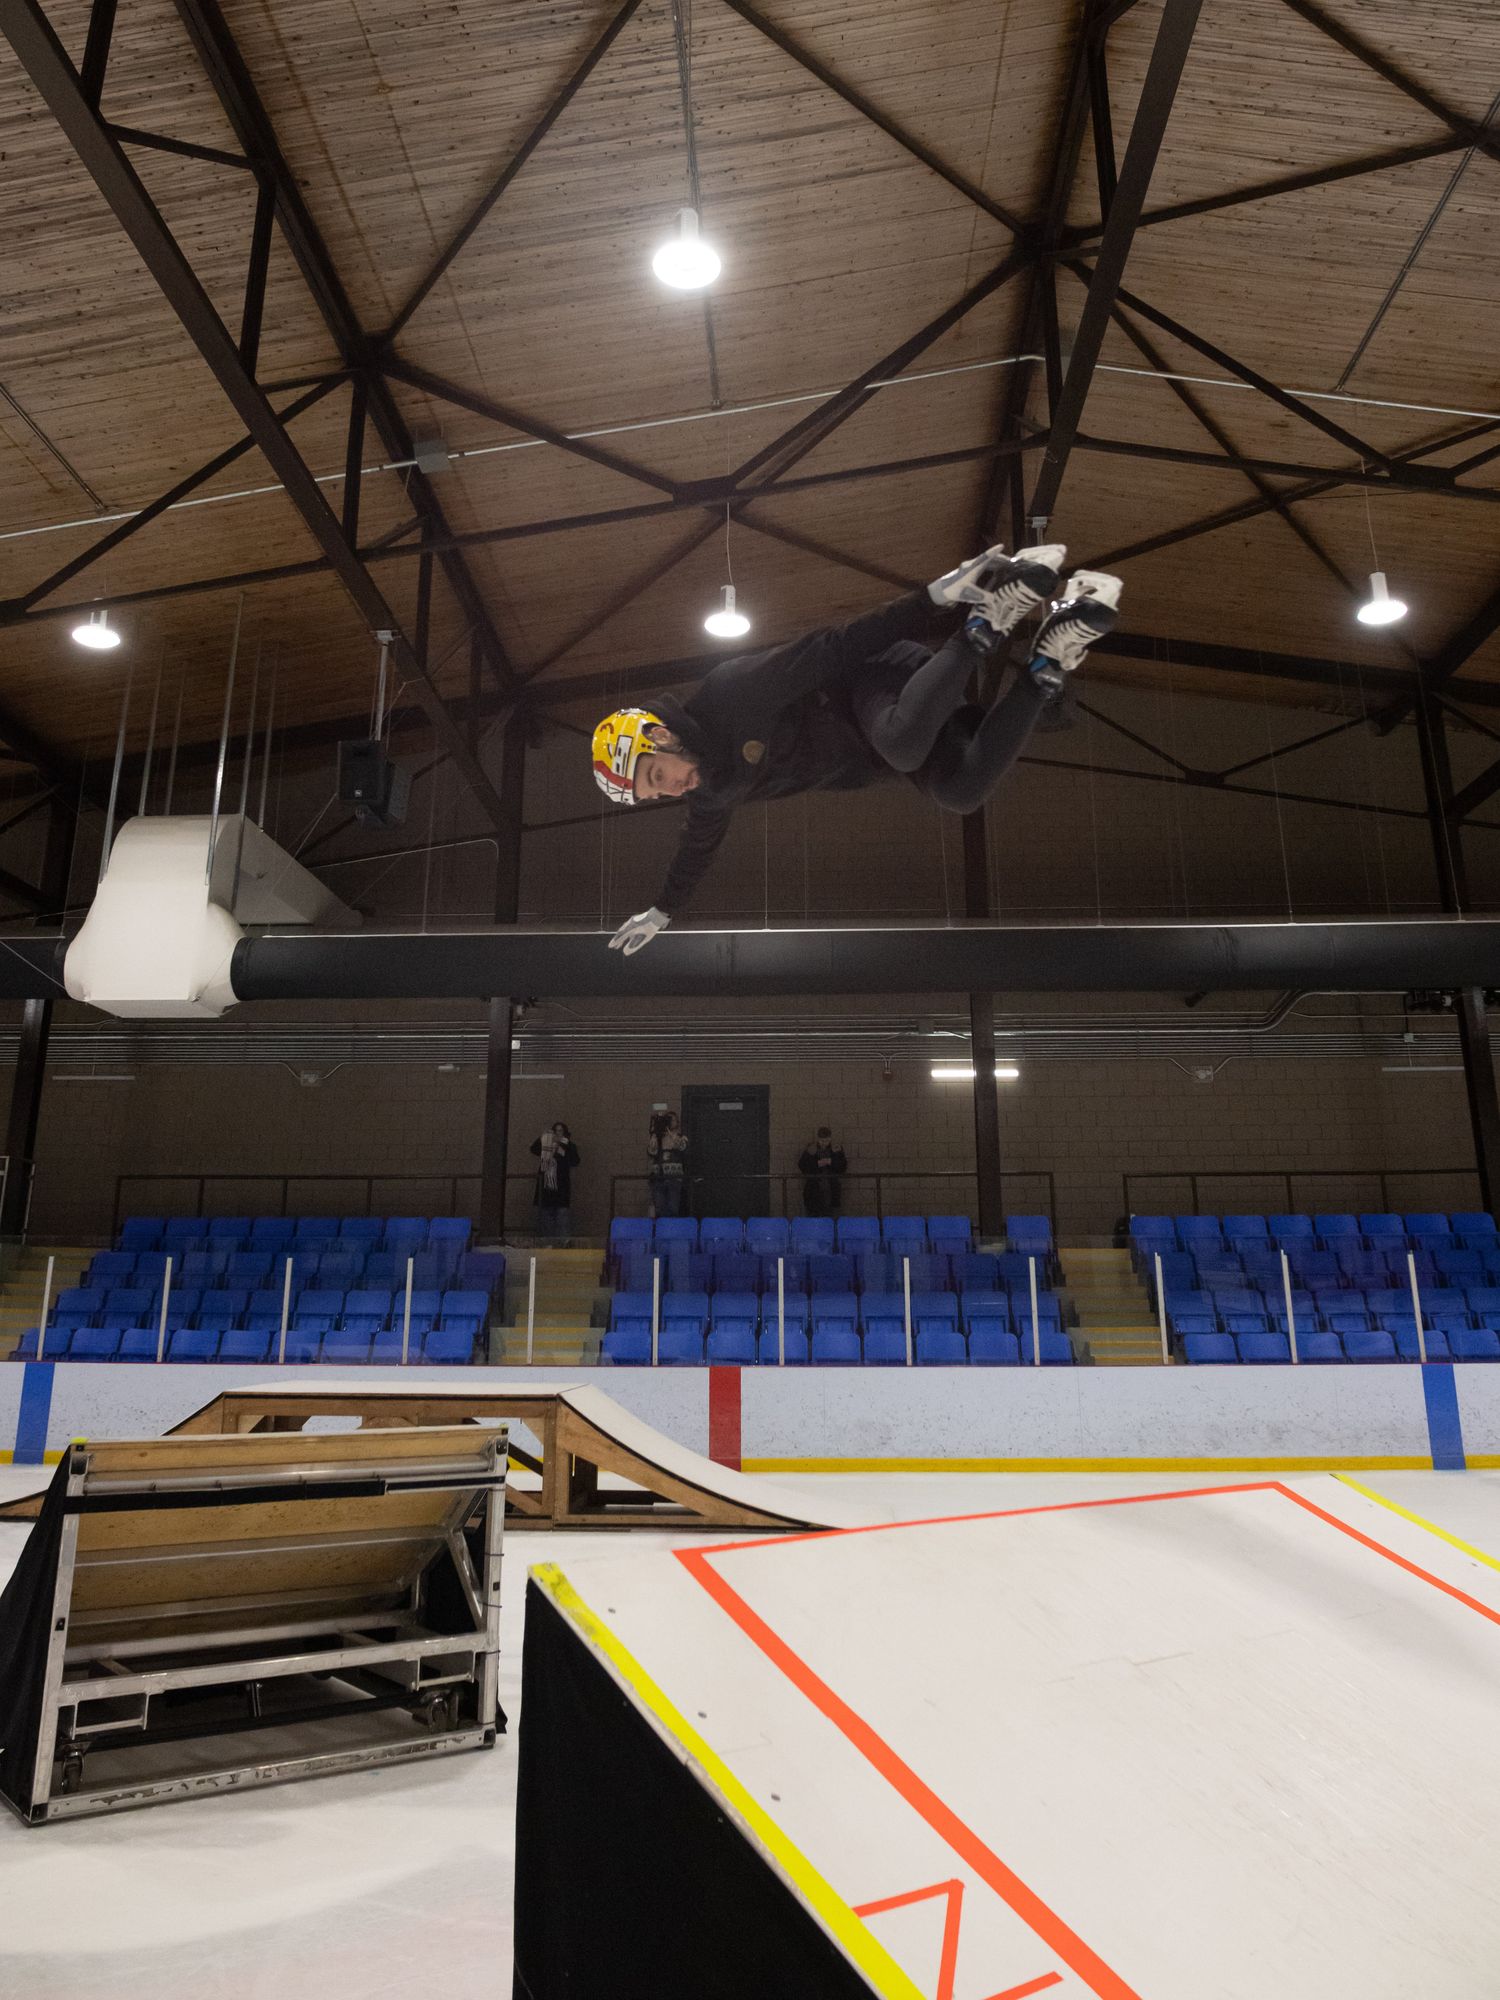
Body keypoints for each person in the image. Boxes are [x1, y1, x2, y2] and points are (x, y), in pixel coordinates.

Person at [592, 545, 1122, 952]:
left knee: (902, 747)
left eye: (657, 776)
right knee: (960, 792)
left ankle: (981, 625)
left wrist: (931, 599)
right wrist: (662, 912)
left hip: (873, 680)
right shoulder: (711, 790)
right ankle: (1046, 667)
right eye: (657, 795)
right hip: (890, 738)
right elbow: (695, 850)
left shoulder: (732, 693)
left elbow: (833, 648)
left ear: (660, 736)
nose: (672, 791)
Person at [530, 1121, 580, 1240]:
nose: (558, 1133)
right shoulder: (546, 1145)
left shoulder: (569, 1146)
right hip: (546, 1190)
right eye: (556, 1131)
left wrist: (562, 1148)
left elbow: (575, 1161)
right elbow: (533, 1149)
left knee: (562, 1221)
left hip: (561, 1190)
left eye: (560, 1131)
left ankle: (562, 1245)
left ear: (565, 1133)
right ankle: (547, 1244)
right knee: (546, 1223)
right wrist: (542, 1137)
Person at [647, 1109, 689, 1218]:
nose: (670, 1122)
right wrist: (654, 1136)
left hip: (674, 1177)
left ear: (677, 1122)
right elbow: (651, 1152)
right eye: (668, 1120)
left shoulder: (681, 1137)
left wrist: (672, 1135)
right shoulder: (658, 1138)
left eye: (672, 1120)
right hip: (659, 1177)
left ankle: (671, 1227)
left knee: (673, 1208)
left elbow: (682, 1147)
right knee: (659, 1208)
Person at [799, 1127, 847, 1217]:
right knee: (814, 1215)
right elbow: (803, 1166)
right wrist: (817, 1164)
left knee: (832, 1215)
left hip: (831, 1188)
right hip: (814, 1188)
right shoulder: (811, 1149)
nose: (824, 1143)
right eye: (822, 1141)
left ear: (830, 1139)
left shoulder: (836, 1149)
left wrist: (831, 1162)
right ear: (818, 1139)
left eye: (826, 1141)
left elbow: (843, 1167)